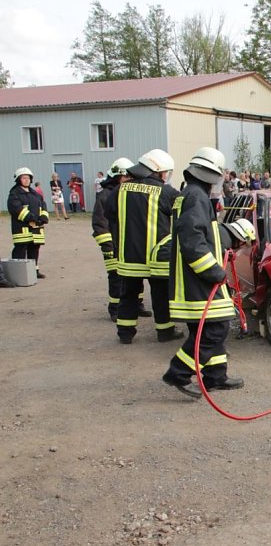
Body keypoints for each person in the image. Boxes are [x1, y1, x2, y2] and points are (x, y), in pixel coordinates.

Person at [162, 147, 252, 398]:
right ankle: (178, 372)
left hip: (193, 278)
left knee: (209, 328)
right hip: (199, 279)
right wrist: (214, 272)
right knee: (216, 328)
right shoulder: (196, 198)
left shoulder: (190, 194)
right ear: (212, 175)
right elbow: (192, 241)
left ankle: (215, 376)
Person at [104, 149, 183, 345]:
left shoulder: (119, 190)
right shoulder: (166, 192)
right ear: (157, 171)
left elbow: (110, 215)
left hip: (128, 255)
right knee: (160, 296)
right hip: (156, 257)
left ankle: (125, 333)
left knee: (128, 294)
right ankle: (165, 332)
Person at [91, 157, 153, 322]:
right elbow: (99, 223)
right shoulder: (105, 195)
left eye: (130, 177)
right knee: (116, 277)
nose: (128, 180)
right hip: (113, 245)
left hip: (129, 243)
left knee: (136, 275)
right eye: (125, 177)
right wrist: (108, 246)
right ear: (116, 176)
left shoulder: (129, 193)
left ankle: (137, 305)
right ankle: (115, 309)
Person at [7, 167, 49, 279]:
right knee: (21, 249)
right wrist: (33, 219)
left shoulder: (34, 193)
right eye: (23, 178)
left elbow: (43, 205)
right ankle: (18, 273)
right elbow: (16, 209)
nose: (26, 180)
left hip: (36, 228)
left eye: (28, 178)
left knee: (34, 249)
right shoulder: (14, 193)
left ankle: (34, 271)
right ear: (18, 179)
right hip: (22, 228)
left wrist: (44, 217)